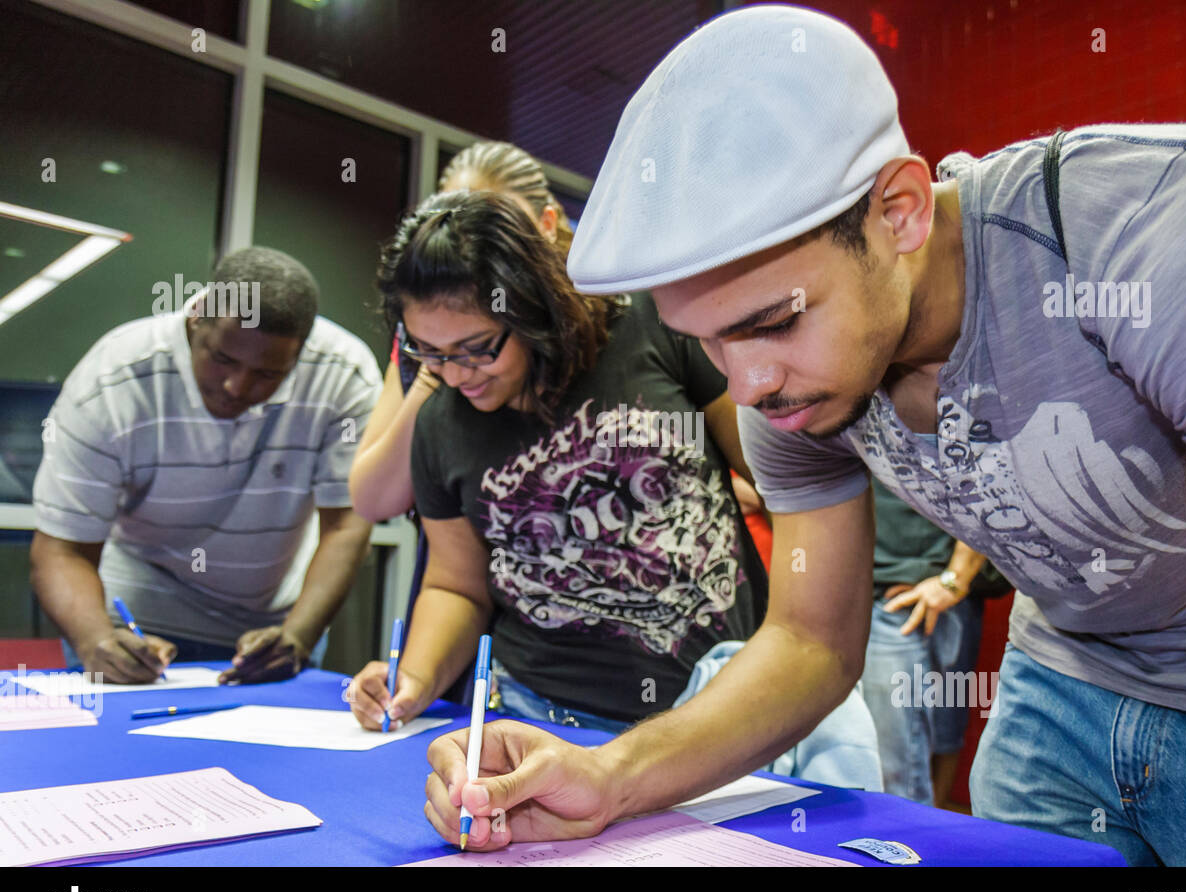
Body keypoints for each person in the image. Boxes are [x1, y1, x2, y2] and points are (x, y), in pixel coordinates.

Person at [421, 5, 1186, 865]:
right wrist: (608, 777)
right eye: (708, 341)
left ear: (901, 212)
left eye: (772, 322)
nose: (747, 385)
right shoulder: (790, 387)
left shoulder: (1177, 234)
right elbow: (809, 639)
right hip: (1061, 679)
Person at [345, 189, 770, 735]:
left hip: (722, 704)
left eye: (477, 348)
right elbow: (455, 586)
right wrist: (415, 679)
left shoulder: (650, 325)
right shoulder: (439, 425)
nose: (456, 375)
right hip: (544, 719)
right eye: (431, 353)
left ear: (527, 306)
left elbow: (783, 477)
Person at [30, 247, 380, 684]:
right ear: (196, 317)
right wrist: (94, 639)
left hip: (270, 628)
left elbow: (347, 527)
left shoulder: (344, 375)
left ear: (301, 355)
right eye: (222, 360)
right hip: (135, 616)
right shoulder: (114, 378)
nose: (238, 386)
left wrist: (299, 635)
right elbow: (60, 550)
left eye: (268, 374)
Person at [348, 141, 571, 524]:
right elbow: (373, 500)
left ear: (545, 226)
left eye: (497, 224)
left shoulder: (607, 319)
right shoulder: (428, 351)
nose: (468, 244)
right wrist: (438, 360)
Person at [860, 478, 995, 807]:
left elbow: (990, 484)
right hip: (876, 594)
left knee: (911, 761)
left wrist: (953, 579)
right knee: (900, 759)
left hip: (920, 596)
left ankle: (917, 845)